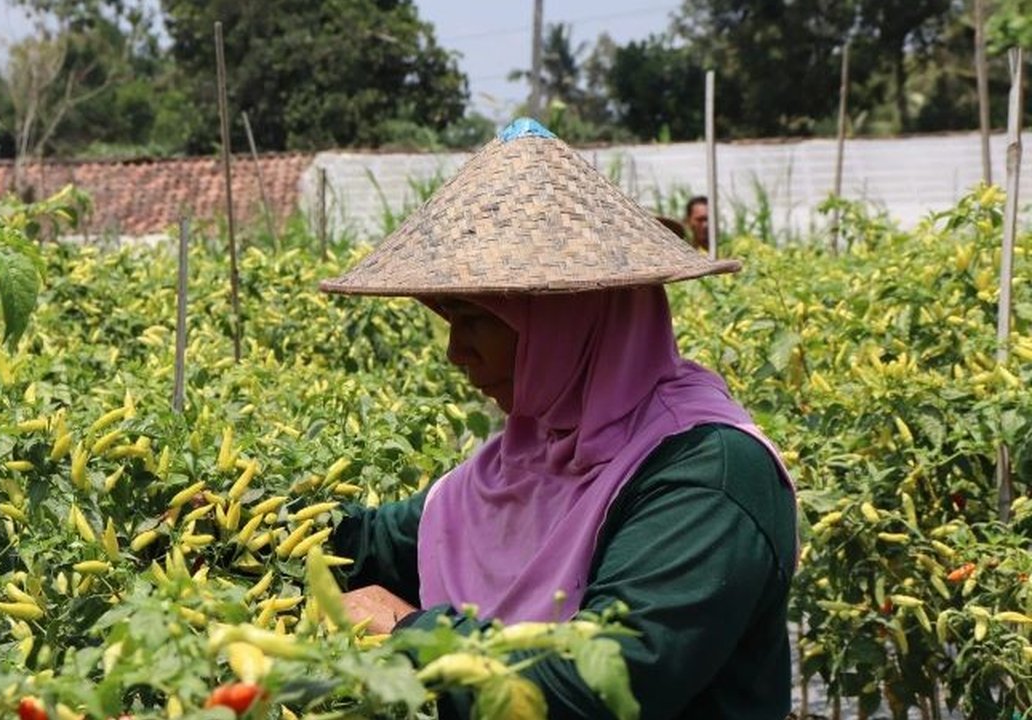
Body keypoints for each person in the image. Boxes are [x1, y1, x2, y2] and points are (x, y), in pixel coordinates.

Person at [319, 118, 796, 720]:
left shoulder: (708, 474)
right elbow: (373, 545)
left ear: (566, 322)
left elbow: (601, 684)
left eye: (474, 320)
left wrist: (412, 634)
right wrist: (223, 516)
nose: (454, 352)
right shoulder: (533, 454)